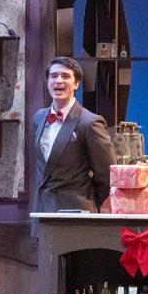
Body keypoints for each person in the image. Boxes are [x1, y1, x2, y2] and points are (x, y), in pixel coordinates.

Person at [32, 56, 114, 213]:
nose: (58, 81)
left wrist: (91, 207)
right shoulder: (39, 117)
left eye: (65, 76)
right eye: (53, 76)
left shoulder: (90, 122)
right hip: (42, 211)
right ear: (47, 82)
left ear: (76, 84)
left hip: (76, 213)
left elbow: (106, 176)